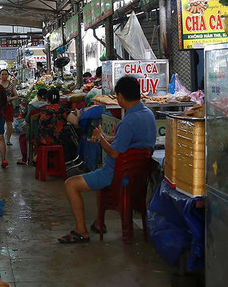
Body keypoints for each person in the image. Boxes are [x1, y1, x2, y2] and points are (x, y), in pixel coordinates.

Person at [58, 75, 156, 244]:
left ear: (121, 97)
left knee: (70, 184)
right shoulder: (148, 114)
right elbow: (124, 142)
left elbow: (114, 153)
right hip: (137, 174)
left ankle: (81, 231)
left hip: (116, 174)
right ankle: (99, 223)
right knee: (94, 178)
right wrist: (102, 136)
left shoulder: (129, 121)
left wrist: (99, 139)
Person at [0, 69, 19, 148]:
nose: (4, 76)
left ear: (8, 75)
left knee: (9, 124)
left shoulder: (11, 85)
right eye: (2, 74)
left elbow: (16, 95)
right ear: (0, 76)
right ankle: (0, 139)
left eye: (5, 74)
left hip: (9, 106)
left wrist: (10, 98)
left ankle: (8, 140)